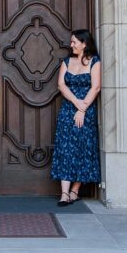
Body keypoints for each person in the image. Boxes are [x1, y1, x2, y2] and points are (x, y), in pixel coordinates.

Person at [50, 29, 101, 206]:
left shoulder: (94, 61)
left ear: (84, 43)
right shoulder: (67, 61)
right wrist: (76, 103)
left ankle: (75, 190)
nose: (71, 45)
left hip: (86, 112)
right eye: (71, 42)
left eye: (74, 42)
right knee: (65, 148)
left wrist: (83, 108)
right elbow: (61, 84)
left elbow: (95, 87)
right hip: (68, 110)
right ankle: (64, 193)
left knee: (83, 149)